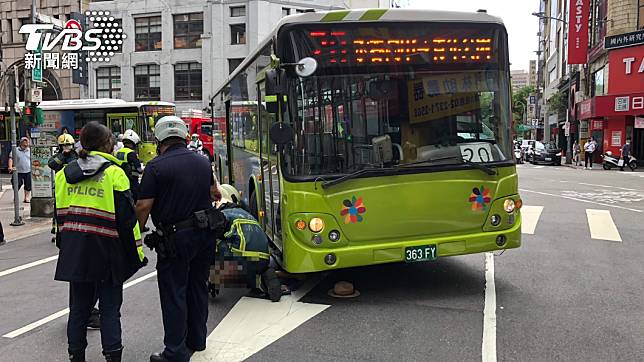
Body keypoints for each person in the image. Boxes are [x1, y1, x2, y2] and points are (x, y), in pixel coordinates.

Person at [54, 122, 144, 362]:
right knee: (110, 310)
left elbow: (60, 219)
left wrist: (68, 248)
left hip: (75, 251)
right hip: (108, 252)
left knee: (79, 310)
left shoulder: (64, 175)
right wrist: (137, 254)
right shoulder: (115, 174)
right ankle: (112, 356)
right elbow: (128, 221)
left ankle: (76, 356)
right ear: (107, 144)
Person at [136, 116, 222, 362]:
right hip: (205, 233)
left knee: (174, 291)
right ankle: (197, 339)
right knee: (198, 286)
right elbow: (214, 192)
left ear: (158, 140)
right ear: (186, 137)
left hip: (175, 238)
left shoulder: (155, 167)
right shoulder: (203, 161)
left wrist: (135, 236)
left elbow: (143, 206)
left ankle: (174, 351)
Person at [115, 130, 143, 202]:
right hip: (132, 182)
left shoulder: (118, 152)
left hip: (120, 181)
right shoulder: (131, 153)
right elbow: (139, 169)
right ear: (133, 143)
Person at [8, 137, 32, 203]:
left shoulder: (30, 150)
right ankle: (16, 196)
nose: (26, 145)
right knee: (16, 184)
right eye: (24, 144)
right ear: (21, 143)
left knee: (28, 185)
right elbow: (11, 158)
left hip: (28, 170)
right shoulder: (15, 150)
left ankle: (26, 197)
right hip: (18, 171)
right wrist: (10, 167)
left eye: (27, 144)